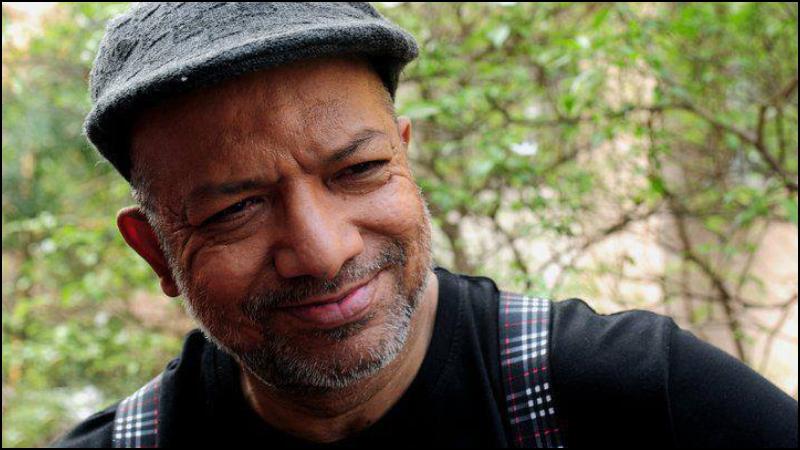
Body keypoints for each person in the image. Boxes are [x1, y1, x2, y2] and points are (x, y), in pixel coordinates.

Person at [53, 3, 797, 448]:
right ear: (156, 250)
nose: (322, 250)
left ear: (404, 158)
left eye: (357, 170)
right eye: (234, 210)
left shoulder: (639, 400)